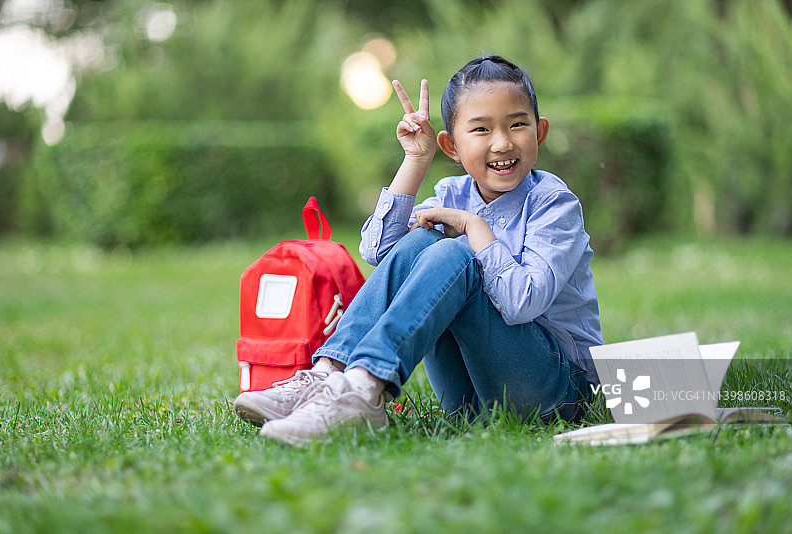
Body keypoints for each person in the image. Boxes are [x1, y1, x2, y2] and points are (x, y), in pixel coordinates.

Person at [234, 55, 602, 446]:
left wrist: (473, 228)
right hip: (470, 400)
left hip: (557, 394)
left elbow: (521, 303)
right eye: (480, 129)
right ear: (452, 146)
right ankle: (329, 373)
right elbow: (382, 252)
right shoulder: (453, 194)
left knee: (454, 254)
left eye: (517, 124)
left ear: (539, 131)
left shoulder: (554, 204)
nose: (502, 142)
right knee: (425, 241)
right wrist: (415, 159)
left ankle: (363, 390)